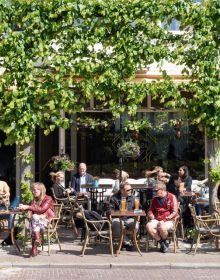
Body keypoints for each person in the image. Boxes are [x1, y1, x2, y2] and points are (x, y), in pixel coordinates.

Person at [18, 182, 55, 257]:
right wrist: (22, 208)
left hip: (47, 222)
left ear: (41, 190)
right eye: (32, 190)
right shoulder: (34, 200)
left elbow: (42, 209)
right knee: (34, 219)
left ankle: (34, 248)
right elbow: (30, 209)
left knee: (34, 218)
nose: (33, 192)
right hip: (36, 223)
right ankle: (37, 240)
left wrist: (28, 207)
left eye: (35, 190)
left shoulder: (48, 198)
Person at [146, 182, 178, 253]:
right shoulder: (154, 199)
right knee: (148, 226)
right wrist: (151, 215)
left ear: (162, 190)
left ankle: (163, 243)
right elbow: (150, 210)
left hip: (168, 220)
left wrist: (164, 220)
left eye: (156, 190)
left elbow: (175, 212)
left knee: (162, 227)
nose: (154, 192)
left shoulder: (171, 197)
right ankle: (163, 243)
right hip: (157, 219)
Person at [106, 181, 139, 251]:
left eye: (131, 189)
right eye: (128, 190)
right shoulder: (114, 198)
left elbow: (139, 210)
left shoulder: (134, 198)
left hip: (129, 218)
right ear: (122, 191)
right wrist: (118, 212)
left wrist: (135, 211)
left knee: (135, 225)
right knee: (116, 224)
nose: (130, 191)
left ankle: (124, 243)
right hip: (118, 218)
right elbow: (108, 210)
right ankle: (127, 242)